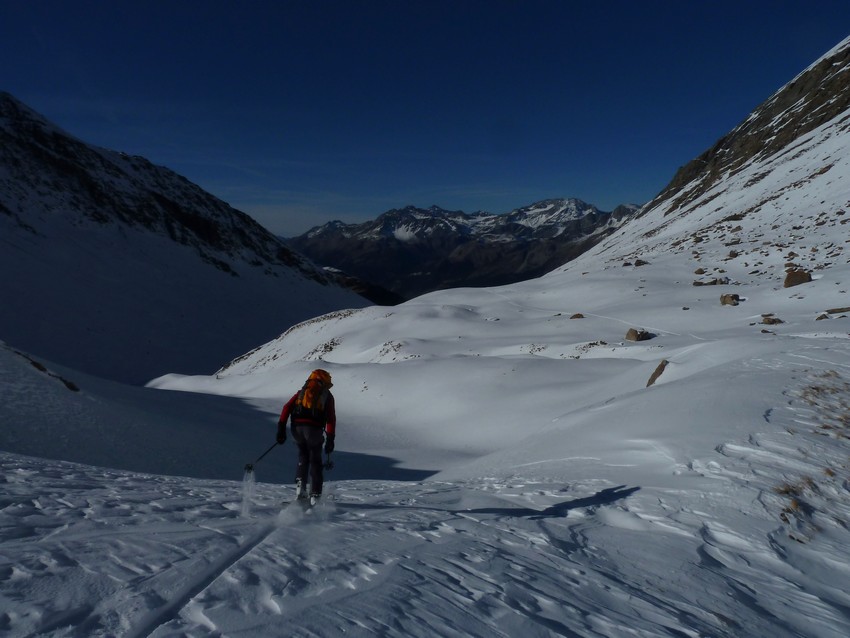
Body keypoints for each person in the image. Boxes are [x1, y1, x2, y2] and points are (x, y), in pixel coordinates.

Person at [277, 369, 336, 505]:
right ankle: (315, 494)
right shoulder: (327, 395)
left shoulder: (301, 392)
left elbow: (287, 407)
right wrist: (330, 439)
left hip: (296, 429)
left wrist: (281, 429)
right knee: (315, 459)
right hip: (314, 430)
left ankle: (300, 489)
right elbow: (331, 419)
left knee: (303, 455)